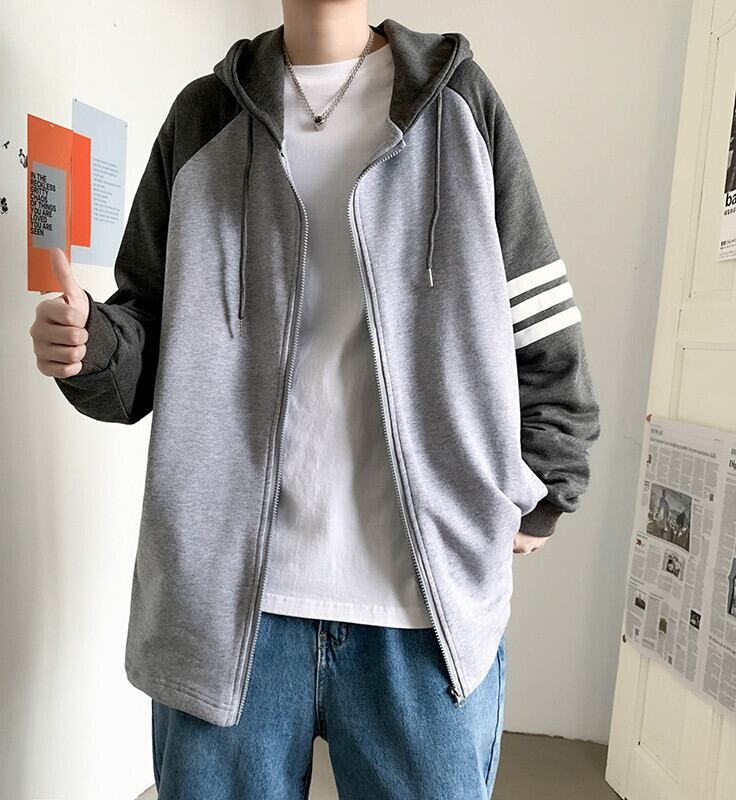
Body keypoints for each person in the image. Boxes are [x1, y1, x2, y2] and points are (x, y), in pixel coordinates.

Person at [29, 2, 601, 797]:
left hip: (421, 617)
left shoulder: (458, 103)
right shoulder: (204, 117)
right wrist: (92, 345)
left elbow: (538, 317)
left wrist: (547, 483)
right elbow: (146, 336)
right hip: (227, 614)